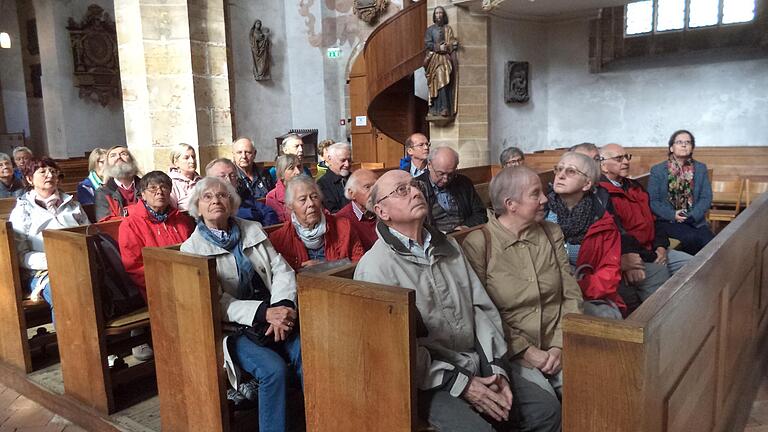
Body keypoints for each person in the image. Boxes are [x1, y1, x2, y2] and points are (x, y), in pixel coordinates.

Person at [355, 169, 561, 432]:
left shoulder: (449, 247)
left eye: (415, 185)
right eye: (402, 190)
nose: (416, 191)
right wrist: (463, 383)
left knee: (546, 411)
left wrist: (496, 368)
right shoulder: (375, 268)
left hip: (477, 360)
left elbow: (481, 310)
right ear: (383, 212)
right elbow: (396, 351)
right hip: (428, 380)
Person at [181, 177, 301, 432]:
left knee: (309, 352)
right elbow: (215, 300)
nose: (216, 200)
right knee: (273, 370)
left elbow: (281, 270)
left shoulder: (252, 229)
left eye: (222, 195)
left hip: (276, 315)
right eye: (208, 197)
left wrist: (282, 306)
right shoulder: (191, 249)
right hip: (234, 330)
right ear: (197, 207)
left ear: (232, 202)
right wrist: (264, 313)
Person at [462, 166, 584, 401]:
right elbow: (483, 314)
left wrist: (559, 345)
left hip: (556, 342)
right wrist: (526, 351)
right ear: (511, 204)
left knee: (591, 388)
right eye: (535, 194)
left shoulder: (551, 232)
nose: (545, 199)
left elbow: (571, 294)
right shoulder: (480, 244)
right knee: (547, 404)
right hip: (512, 350)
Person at [598, 144, 687, 311]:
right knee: (660, 292)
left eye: (627, 157)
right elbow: (618, 233)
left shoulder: (634, 186)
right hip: (636, 255)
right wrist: (653, 254)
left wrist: (660, 246)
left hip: (655, 248)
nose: (625, 162)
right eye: (619, 158)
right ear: (603, 165)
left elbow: (655, 219)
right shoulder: (601, 193)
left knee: (694, 266)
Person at [118, 171, 194, 361]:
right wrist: (166, 282)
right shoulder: (131, 224)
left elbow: (194, 251)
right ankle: (161, 345)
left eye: (164, 187)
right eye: (152, 188)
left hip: (186, 278)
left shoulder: (181, 221)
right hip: (151, 284)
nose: (159, 192)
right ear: (142, 194)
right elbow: (133, 266)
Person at [544, 153, 624, 319]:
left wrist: (574, 287)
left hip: (586, 292)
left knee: (606, 316)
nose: (561, 175)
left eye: (571, 171)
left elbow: (608, 273)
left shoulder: (602, 222)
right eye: (559, 169)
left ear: (587, 184)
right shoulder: (541, 213)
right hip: (546, 293)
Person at [9, 158, 90, 318]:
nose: (50, 175)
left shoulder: (72, 205)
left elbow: (89, 233)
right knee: (61, 289)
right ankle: (71, 340)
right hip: (41, 270)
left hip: (79, 262)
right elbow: (20, 254)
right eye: (43, 171)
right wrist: (54, 260)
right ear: (29, 179)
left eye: (53, 171)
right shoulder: (22, 211)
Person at [269, 175, 364, 271]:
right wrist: (300, 270)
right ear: (290, 206)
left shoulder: (344, 227)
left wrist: (325, 266)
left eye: (314, 197)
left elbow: (359, 263)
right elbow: (280, 276)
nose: (311, 203)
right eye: (303, 199)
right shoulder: (279, 239)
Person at [648, 130, 715, 255]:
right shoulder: (658, 170)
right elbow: (653, 201)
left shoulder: (700, 168)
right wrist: (672, 214)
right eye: (679, 142)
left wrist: (692, 216)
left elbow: (706, 197)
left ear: (692, 147)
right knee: (691, 239)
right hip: (668, 221)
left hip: (695, 220)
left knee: (711, 243)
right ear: (671, 148)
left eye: (688, 142)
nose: (684, 145)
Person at [415, 146, 487, 232]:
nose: (445, 179)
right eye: (441, 173)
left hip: (465, 235)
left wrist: (466, 226)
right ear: (429, 165)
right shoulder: (417, 187)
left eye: (451, 174)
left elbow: (480, 213)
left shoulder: (463, 183)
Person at [205, 158, 279, 226]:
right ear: (210, 181)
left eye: (232, 176)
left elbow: (269, 212)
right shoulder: (208, 205)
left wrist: (262, 230)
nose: (229, 181)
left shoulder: (243, 196)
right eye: (222, 176)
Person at [424, 6, 458, 117]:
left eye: (441, 13)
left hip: (445, 59)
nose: (439, 15)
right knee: (437, 81)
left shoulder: (448, 29)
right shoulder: (430, 30)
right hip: (434, 59)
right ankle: (437, 107)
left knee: (445, 81)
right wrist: (438, 47)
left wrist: (452, 44)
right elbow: (428, 44)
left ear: (444, 15)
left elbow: (452, 41)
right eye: (437, 13)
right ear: (434, 15)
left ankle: (445, 107)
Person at [95, 146, 142, 221]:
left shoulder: (146, 186)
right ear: (107, 165)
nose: (118, 157)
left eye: (123, 154)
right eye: (113, 155)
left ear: (132, 161)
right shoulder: (103, 192)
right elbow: (106, 222)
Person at [336, 169, 378, 251]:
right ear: (352, 193)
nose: (374, 191)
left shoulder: (386, 211)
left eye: (376, 186)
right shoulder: (342, 220)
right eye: (367, 187)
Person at [316, 142, 352, 213]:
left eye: (349, 160)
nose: (347, 164)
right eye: (343, 160)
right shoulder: (322, 184)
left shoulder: (354, 178)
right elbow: (333, 212)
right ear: (330, 159)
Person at [266, 154, 302, 223]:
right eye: (291, 168)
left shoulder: (309, 190)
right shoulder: (272, 197)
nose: (298, 172)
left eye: (299, 167)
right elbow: (280, 225)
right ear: (281, 173)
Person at [168, 143, 202, 211]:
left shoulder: (202, 181)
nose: (192, 161)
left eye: (193, 157)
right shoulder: (171, 183)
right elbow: (172, 212)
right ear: (176, 162)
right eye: (186, 158)